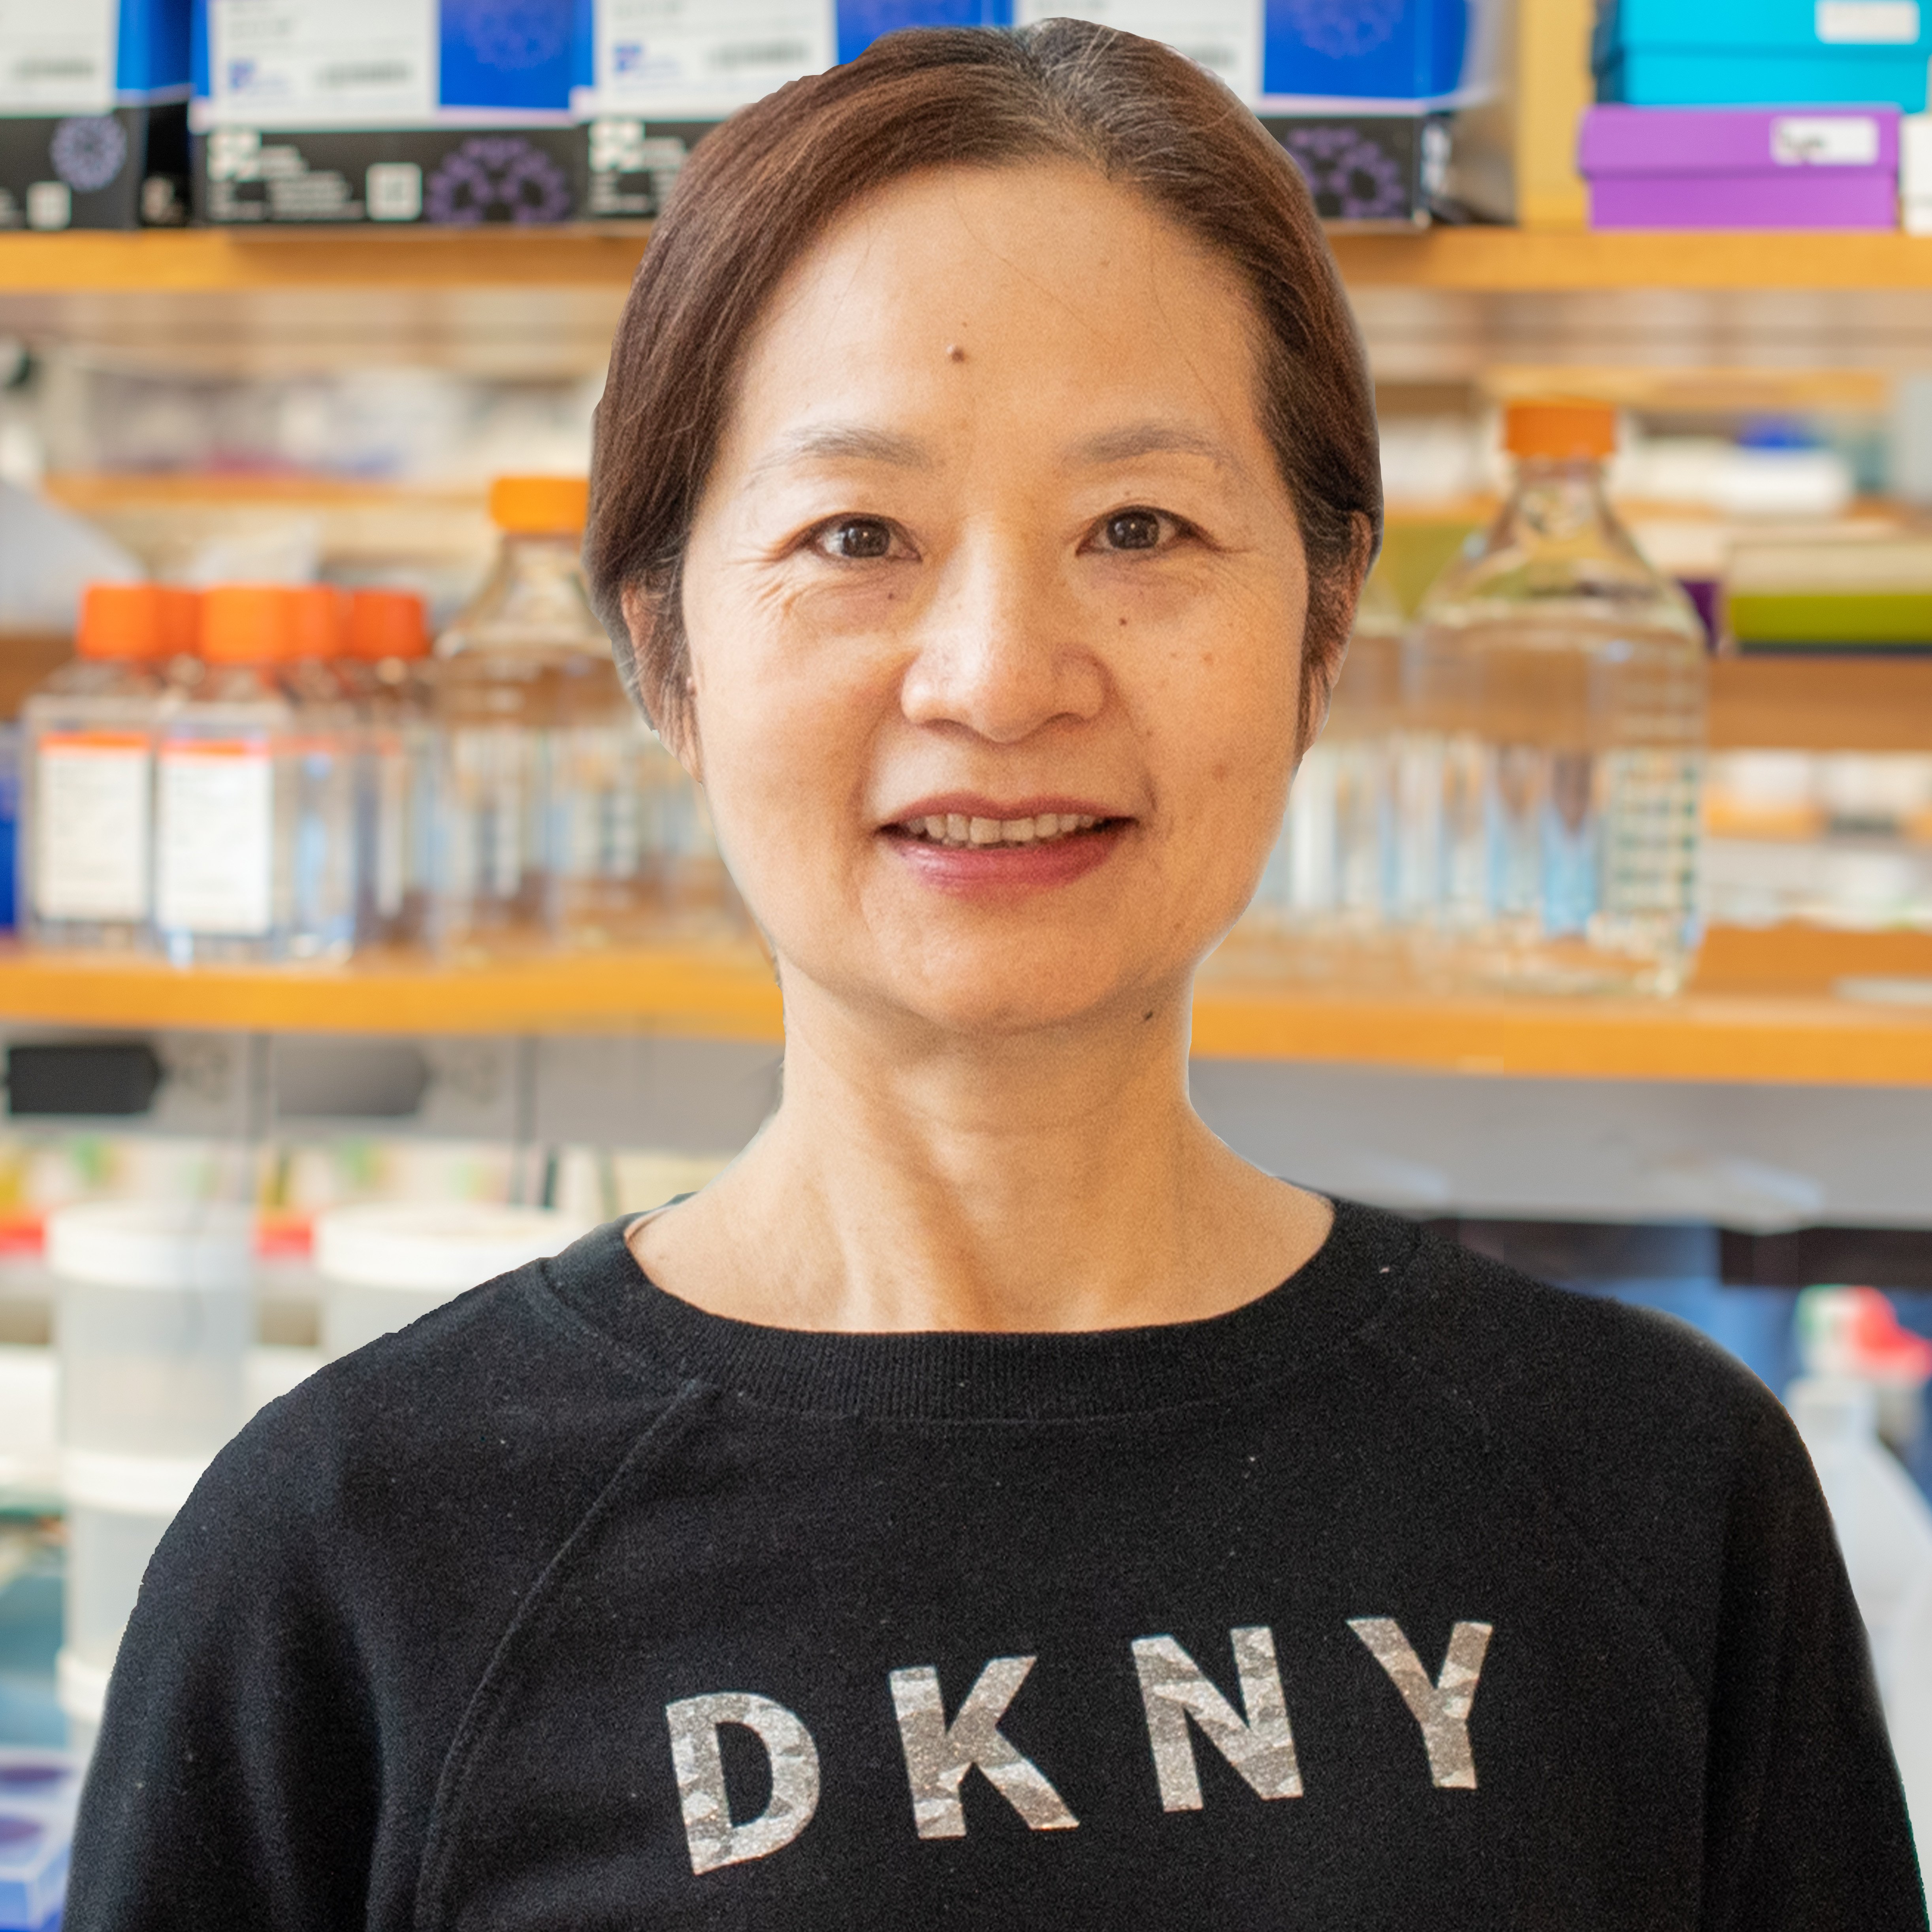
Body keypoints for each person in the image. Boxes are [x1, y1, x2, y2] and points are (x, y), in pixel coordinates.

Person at [68, 22, 1923, 1930]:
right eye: (853, 534)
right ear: (662, 649)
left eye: (1139, 527)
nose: (997, 675)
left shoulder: (1654, 1489)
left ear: (1322, 622)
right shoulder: (355, 1557)